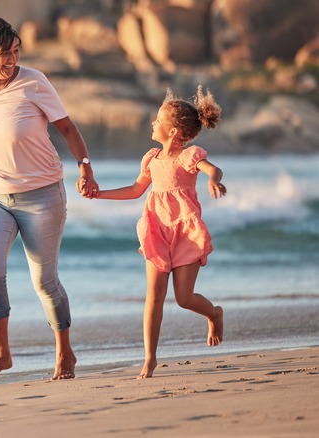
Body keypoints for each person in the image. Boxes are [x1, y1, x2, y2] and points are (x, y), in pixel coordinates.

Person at [0, 17, 98, 381]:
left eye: (16, 51)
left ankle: (65, 353)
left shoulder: (34, 82)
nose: (11, 59)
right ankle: (3, 354)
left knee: (44, 281)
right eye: (3, 53)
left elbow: (67, 127)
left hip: (42, 194)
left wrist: (86, 168)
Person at [91, 86, 225, 378]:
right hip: (157, 229)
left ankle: (214, 314)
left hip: (186, 231)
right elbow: (136, 190)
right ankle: (149, 358)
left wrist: (213, 181)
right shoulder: (151, 158)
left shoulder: (188, 156)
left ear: (174, 131)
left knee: (184, 298)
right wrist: (99, 194)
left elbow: (212, 169)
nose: (153, 123)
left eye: (158, 120)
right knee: (153, 295)